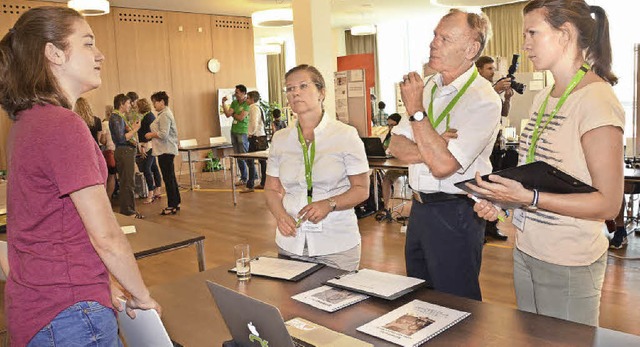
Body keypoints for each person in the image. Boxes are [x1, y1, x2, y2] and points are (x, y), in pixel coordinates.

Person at [0, 6, 160, 346]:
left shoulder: (26, 122)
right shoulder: (62, 125)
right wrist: (141, 295)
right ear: (54, 53)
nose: (99, 54)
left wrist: (103, 281)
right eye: (88, 43)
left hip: (37, 309)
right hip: (71, 315)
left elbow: (51, 227)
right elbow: (106, 236)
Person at [468, 0, 623, 326]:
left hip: (569, 261)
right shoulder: (542, 98)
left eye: (533, 33)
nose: (525, 44)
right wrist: (503, 203)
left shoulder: (596, 100)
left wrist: (530, 198)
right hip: (527, 250)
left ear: (565, 34)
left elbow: (609, 204)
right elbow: (536, 179)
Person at [389, 9, 501, 301]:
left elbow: (443, 166)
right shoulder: (428, 86)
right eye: (434, 36)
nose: (433, 43)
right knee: (418, 301)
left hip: (457, 212)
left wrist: (416, 112)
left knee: (456, 305)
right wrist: (435, 143)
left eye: (444, 38)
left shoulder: (483, 98)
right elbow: (395, 146)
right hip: (420, 209)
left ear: (471, 49)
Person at [264, 64, 370, 271]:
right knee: (290, 302)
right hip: (290, 242)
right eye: (290, 88)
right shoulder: (281, 138)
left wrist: (329, 203)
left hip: (335, 243)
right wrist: (280, 215)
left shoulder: (345, 135)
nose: (295, 92)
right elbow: (272, 189)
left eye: (303, 86)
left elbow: (361, 189)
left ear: (322, 92)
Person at [476, 56, 513, 241]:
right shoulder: (477, 89)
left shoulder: (493, 92)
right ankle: (478, 230)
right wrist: (495, 90)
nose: (492, 72)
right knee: (480, 188)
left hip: (496, 143)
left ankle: (491, 226)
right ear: (479, 69)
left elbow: (504, 113)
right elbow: (475, 107)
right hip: (480, 147)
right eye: (489, 68)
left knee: (494, 188)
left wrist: (506, 98)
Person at [146, 91, 181, 215]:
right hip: (164, 150)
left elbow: (163, 134)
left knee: (168, 178)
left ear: (161, 102)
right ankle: (175, 202)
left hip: (165, 150)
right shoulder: (163, 114)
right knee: (170, 177)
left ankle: (172, 205)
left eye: (155, 102)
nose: (153, 105)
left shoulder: (165, 115)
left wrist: (150, 135)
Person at [109, 93, 143, 218]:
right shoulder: (116, 117)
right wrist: (135, 129)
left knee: (127, 182)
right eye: (128, 103)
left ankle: (129, 211)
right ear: (121, 104)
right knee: (128, 183)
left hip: (126, 151)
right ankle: (129, 212)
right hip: (124, 151)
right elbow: (121, 138)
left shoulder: (120, 116)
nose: (130, 105)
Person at [222, 84, 251, 187]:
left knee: (245, 155)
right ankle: (243, 178)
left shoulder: (247, 104)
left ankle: (253, 176)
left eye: (237, 92)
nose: (236, 94)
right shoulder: (234, 103)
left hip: (242, 132)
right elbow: (227, 114)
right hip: (234, 131)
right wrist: (223, 103)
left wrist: (234, 115)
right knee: (238, 156)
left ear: (243, 93)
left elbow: (240, 118)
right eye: (235, 92)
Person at [378, 113, 405, 220]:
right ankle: (386, 207)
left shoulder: (405, 135)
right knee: (386, 179)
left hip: (408, 166)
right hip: (396, 165)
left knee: (413, 182)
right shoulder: (389, 136)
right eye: (388, 125)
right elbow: (383, 149)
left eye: (393, 125)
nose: (390, 128)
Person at [136, 98, 162, 203]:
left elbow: (148, 134)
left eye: (137, 106)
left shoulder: (148, 117)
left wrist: (142, 147)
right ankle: (158, 189)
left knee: (147, 168)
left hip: (149, 146)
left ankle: (151, 192)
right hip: (148, 145)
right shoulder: (147, 116)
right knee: (154, 167)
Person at [243, 90, 267, 192]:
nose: (246, 99)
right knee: (262, 161)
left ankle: (251, 184)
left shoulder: (253, 108)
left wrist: (250, 133)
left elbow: (254, 123)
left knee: (250, 160)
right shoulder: (260, 107)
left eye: (247, 98)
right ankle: (263, 182)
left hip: (256, 137)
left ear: (252, 99)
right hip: (261, 136)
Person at [102, 105, 117, 199]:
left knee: (109, 176)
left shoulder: (105, 124)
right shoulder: (117, 122)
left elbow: (103, 141)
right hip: (118, 150)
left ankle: (108, 198)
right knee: (114, 176)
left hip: (109, 151)